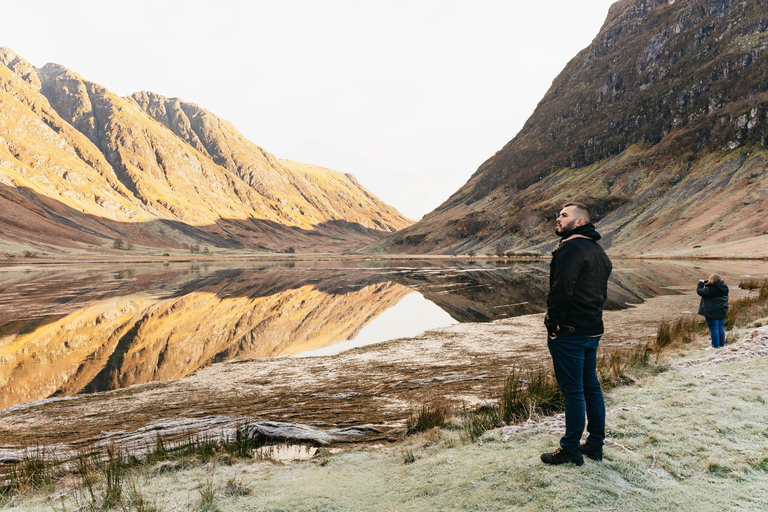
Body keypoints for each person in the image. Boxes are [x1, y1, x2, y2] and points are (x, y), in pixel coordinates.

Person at [541, 202, 612, 466]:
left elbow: (562, 291)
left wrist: (553, 324)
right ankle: (595, 444)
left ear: (579, 222)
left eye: (563, 215)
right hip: (592, 331)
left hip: (569, 333)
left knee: (573, 391)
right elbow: (599, 294)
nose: (557, 219)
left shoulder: (569, 248)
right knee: (591, 387)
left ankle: (570, 448)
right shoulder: (598, 250)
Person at [697, 274, 729, 348]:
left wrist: (701, 283)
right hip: (722, 310)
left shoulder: (710, 289)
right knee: (720, 328)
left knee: (714, 329)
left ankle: (715, 346)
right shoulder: (725, 287)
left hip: (712, 311)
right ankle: (722, 345)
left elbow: (700, 291)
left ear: (711, 280)